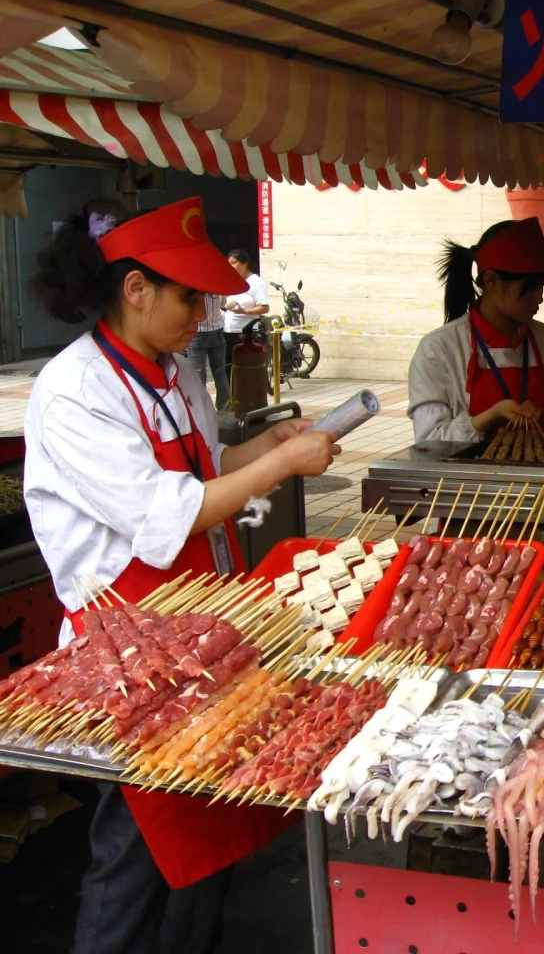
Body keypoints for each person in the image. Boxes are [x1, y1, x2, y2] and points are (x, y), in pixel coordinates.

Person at [23, 196, 341, 953]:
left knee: (209, 846)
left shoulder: (173, 372)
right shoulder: (75, 392)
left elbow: (207, 466)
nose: (201, 313)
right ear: (135, 290)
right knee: (137, 853)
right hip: (129, 656)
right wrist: (279, 470)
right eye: (188, 296)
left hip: (205, 641)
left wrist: (269, 445)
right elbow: (167, 514)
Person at [408, 217, 544, 446]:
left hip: (543, 480)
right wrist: (489, 417)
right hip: (467, 482)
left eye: (542, 286)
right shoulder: (439, 350)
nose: (539, 297)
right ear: (492, 280)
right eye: (530, 287)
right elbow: (429, 442)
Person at [221, 248, 269, 379]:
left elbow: (264, 307)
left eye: (234, 262)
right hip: (228, 330)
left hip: (246, 332)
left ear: (245, 263)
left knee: (245, 367)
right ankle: (231, 396)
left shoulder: (256, 282)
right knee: (229, 367)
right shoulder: (232, 280)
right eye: (229, 263)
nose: (231, 266)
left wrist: (245, 311)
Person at [185, 290, 229, 410]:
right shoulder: (216, 286)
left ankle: (201, 410)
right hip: (217, 328)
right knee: (220, 374)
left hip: (199, 331)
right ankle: (224, 409)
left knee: (198, 375)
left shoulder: (197, 285)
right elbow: (223, 303)